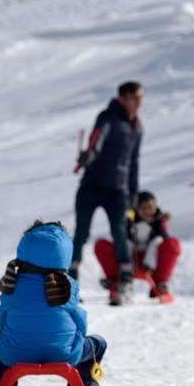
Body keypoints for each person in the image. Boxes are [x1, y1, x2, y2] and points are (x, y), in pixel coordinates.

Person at [0, 221, 107, 386]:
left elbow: (2, 317)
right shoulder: (68, 285)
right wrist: (77, 337)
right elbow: (79, 321)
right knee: (99, 343)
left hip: (15, 352)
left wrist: (11, 335)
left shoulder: (12, 283)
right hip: (64, 353)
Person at [71, 80, 144, 305]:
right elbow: (98, 136)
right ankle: (70, 283)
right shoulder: (108, 116)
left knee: (121, 233)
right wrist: (91, 153)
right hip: (92, 185)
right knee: (81, 233)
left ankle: (125, 282)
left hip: (119, 190)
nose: (140, 102)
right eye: (135, 97)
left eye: (141, 97)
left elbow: (134, 161)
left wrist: (133, 193)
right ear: (123, 98)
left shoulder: (137, 127)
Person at [95, 190, 180, 303]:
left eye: (150, 207)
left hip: (152, 260)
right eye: (143, 208)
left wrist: (162, 222)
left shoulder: (159, 222)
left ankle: (160, 283)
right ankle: (114, 280)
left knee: (169, 243)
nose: (147, 211)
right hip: (128, 259)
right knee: (103, 245)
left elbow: (162, 240)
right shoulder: (129, 221)